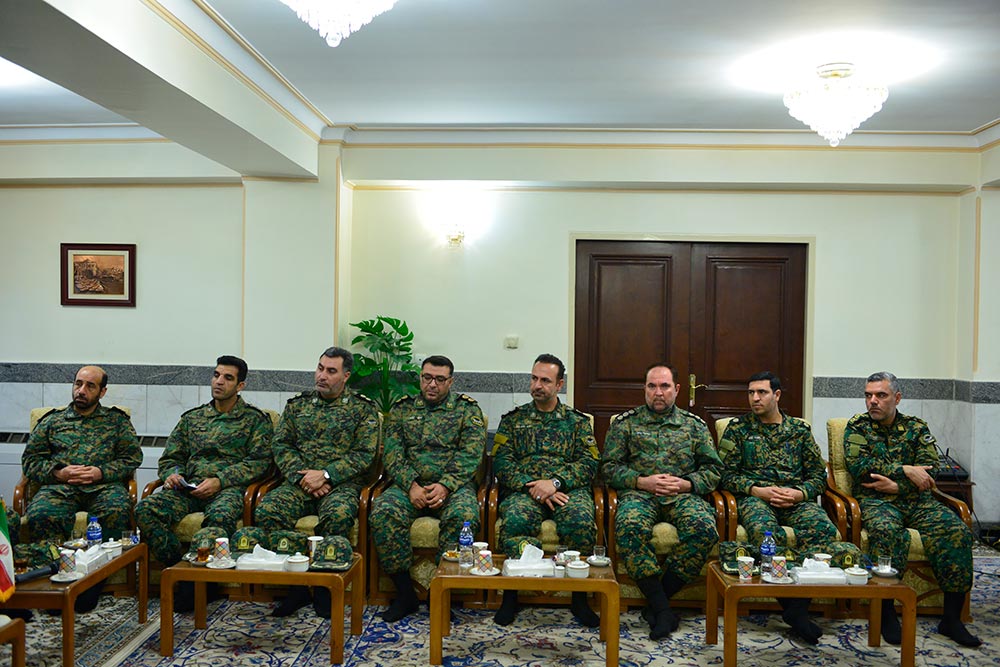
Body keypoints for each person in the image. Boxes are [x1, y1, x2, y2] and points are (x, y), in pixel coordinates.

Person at [844, 371, 980, 647]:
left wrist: (898, 486)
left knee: (955, 530)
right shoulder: (857, 427)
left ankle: (951, 619)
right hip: (877, 501)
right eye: (868, 395)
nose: (872, 401)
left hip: (917, 501)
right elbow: (861, 468)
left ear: (897, 398)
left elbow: (930, 470)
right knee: (886, 531)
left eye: (880, 395)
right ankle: (886, 613)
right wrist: (906, 469)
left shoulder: (916, 428)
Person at [135, 355, 273, 611]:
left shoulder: (255, 420)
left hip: (228, 490)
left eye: (228, 378)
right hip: (188, 487)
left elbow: (261, 463)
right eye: (216, 375)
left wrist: (221, 480)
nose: (219, 382)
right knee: (145, 509)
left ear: (240, 386)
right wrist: (173, 474)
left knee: (218, 520)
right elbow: (172, 457)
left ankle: (202, 584)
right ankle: (181, 570)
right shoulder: (192, 419)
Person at [254, 347, 379, 618]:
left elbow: (364, 454)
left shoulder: (362, 409)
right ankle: (296, 586)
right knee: (269, 510)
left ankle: (325, 587)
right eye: (320, 368)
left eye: (331, 371)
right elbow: (282, 445)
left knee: (338, 515)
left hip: (341, 484)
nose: (322, 376)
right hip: (300, 482)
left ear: (346, 376)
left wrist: (326, 474)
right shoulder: (298, 406)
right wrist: (304, 476)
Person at [600, 363, 722, 639]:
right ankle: (664, 610)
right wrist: (642, 481)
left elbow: (714, 470)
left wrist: (686, 484)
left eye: (664, 386)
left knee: (704, 529)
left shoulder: (694, 426)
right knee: (628, 527)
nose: (658, 392)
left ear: (676, 390)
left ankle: (658, 602)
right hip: (640, 494)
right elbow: (607, 468)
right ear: (644, 389)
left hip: (682, 495)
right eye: (652, 386)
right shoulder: (625, 424)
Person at [718, 371, 837, 644]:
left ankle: (799, 606)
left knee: (823, 530)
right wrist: (755, 489)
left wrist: (799, 493)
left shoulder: (799, 431)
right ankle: (795, 610)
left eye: (761, 392)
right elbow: (724, 474)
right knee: (768, 535)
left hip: (794, 499)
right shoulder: (738, 429)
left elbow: (819, 476)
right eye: (751, 393)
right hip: (756, 498)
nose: (755, 398)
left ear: (777, 395)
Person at [370, 355, 486, 622]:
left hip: (453, 487)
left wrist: (445, 485)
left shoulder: (467, 410)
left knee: (465, 516)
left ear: (450, 382)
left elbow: (471, 454)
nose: (432, 384)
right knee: (384, 512)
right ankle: (405, 594)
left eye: (440, 379)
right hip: (408, 486)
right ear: (420, 378)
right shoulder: (402, 409)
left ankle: (440, 593)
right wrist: (411, 484)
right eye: (427, 378)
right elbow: (392, 453)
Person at [491, 354, 601, 627]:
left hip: (567, 490)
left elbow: (589, 463)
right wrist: (534, 485)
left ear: (559, 385)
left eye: (545, 380)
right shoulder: (513, 420)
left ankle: (579, 598)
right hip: (524, 490)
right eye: (534, 378)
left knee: (580, 522)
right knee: (515, 521)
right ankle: (511, 595)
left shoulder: (577, 422)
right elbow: (501, 462)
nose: (537, 385)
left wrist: (554, 483)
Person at [21, 365, 142, 611]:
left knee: (117, 510)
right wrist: (58, 472)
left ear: (102, 392)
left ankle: (94, 581)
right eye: (78, 384)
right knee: (42, 514)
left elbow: (132, 458)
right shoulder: (52, 421)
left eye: (90, 386)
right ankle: (56, 577)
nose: (81, 390)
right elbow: (30, 461)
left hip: (103, 487)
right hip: (60, 488)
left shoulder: (116, 422)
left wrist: (101, 472)